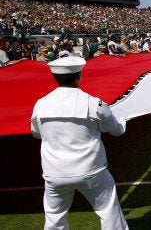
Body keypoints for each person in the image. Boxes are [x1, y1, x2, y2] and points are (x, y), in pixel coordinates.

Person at [30, 56, 128, 229]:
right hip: (91, 171)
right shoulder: (93, 103)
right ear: (79, 76)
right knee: (108, 210)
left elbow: (37, 134)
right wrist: (124, 118)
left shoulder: (41, 104)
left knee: (54, 217)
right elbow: (116, 130)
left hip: (55, 172)